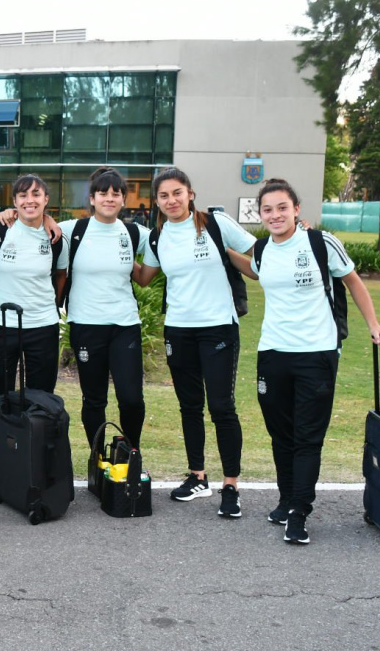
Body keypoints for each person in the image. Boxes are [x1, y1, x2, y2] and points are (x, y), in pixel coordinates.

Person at [228, 178, 380, 544]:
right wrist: (223, 247)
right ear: (260, 214)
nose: (275, 215)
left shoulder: (320, 243)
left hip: (316, 353)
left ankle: (300, 511)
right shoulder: (263, 249)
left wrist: (373, 324)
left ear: (296, 209)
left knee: (307, 437)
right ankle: (286, 500)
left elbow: (353, 281)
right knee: (280, 434)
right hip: (272, 354)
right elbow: (255, 270)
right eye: (267, 209)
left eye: (282, 207)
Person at [134, 167, 255, 518]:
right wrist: (114, 256)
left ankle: (230, 485)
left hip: (218, 328)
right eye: (164, 195)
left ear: (190, 193)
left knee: (221, 407)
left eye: (177, 193)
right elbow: (145, 277)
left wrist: (298, 233)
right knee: (190, 406)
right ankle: (198, 476)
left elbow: (261, 253)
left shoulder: (216, 224)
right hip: (179, 330)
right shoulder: (158, 237)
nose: (171, 200)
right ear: (157, 202)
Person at [0, 174, 63, 491]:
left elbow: (61, 275)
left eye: (36, 194)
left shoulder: (56, 236)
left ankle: (36, 465)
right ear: (14, 201)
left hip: (43, 326)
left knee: (41, 399)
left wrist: (50, 305)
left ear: (46, 200)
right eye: (23, 195)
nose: (30, 200)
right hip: (2, 326)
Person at [56, 167, 148, 450]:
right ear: (92, 199)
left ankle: (130, 452)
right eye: (103, 193)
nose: (109, 198)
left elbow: (167, 245)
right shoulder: (74, 230)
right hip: (86, 325)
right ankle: (98, 458)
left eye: (116, 193)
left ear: (123, 199)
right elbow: (42, 225)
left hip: (125, 326)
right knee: (94, 399)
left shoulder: (134, 232)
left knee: (131, 398)